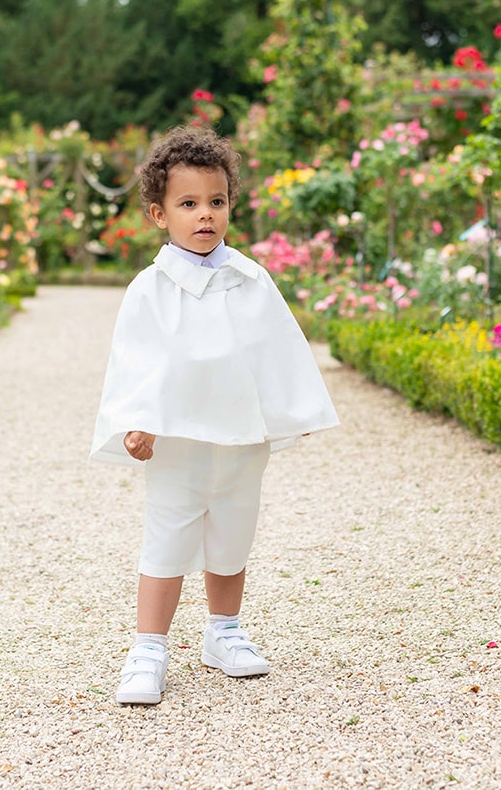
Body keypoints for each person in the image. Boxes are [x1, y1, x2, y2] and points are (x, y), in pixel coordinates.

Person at [90, 125, 339, 705]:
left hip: (240, 436)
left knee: (232, 532)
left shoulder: (250, 279)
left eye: (217, 202)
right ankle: (149, 646)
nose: (206, 215)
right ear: (159, 213)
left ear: (230, 204)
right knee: (169, 536)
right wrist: (137, 418)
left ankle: (223, 631)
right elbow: (137, 357)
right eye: (189, 204)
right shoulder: (150, 290)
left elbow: (277, 347)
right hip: (175, 438)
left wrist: (290, 408)